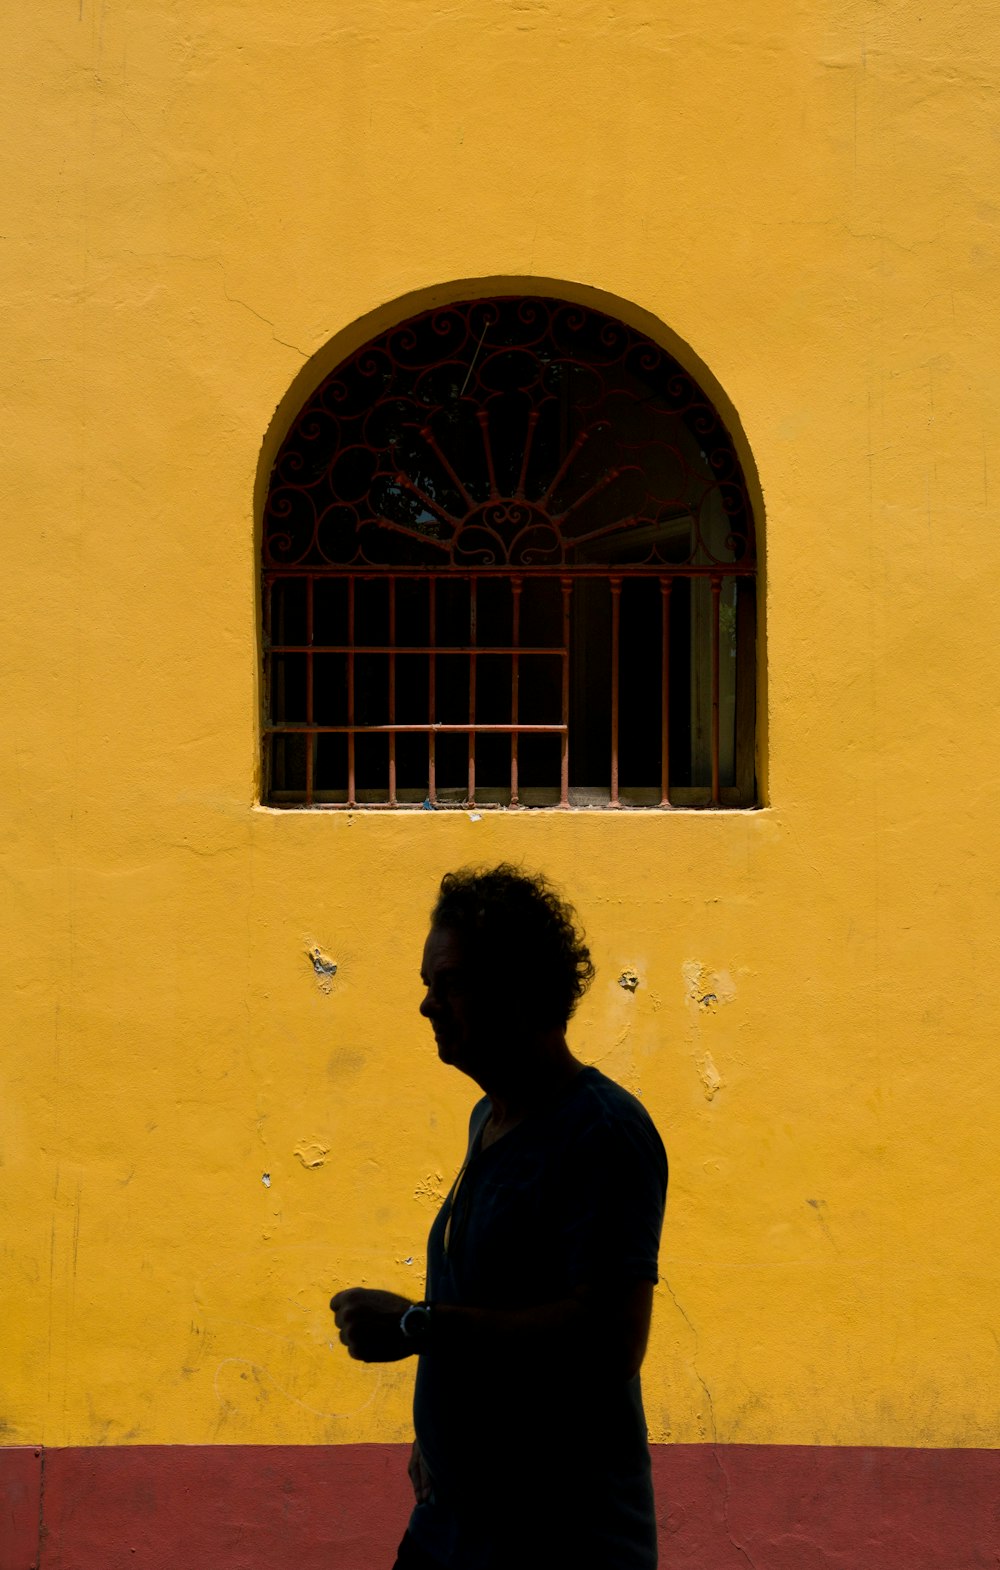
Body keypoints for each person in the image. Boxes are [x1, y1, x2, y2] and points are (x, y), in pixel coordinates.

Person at [330, 865, 668, 1570]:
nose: (428, 1006)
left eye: (448, 983)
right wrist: (441, 1436)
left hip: (558, 1541)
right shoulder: (490, 1117)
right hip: (452, 1524)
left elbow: (608, 1342)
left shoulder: (601, 1132)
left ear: (516, 991)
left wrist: (417, 1326)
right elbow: (496, 1294)